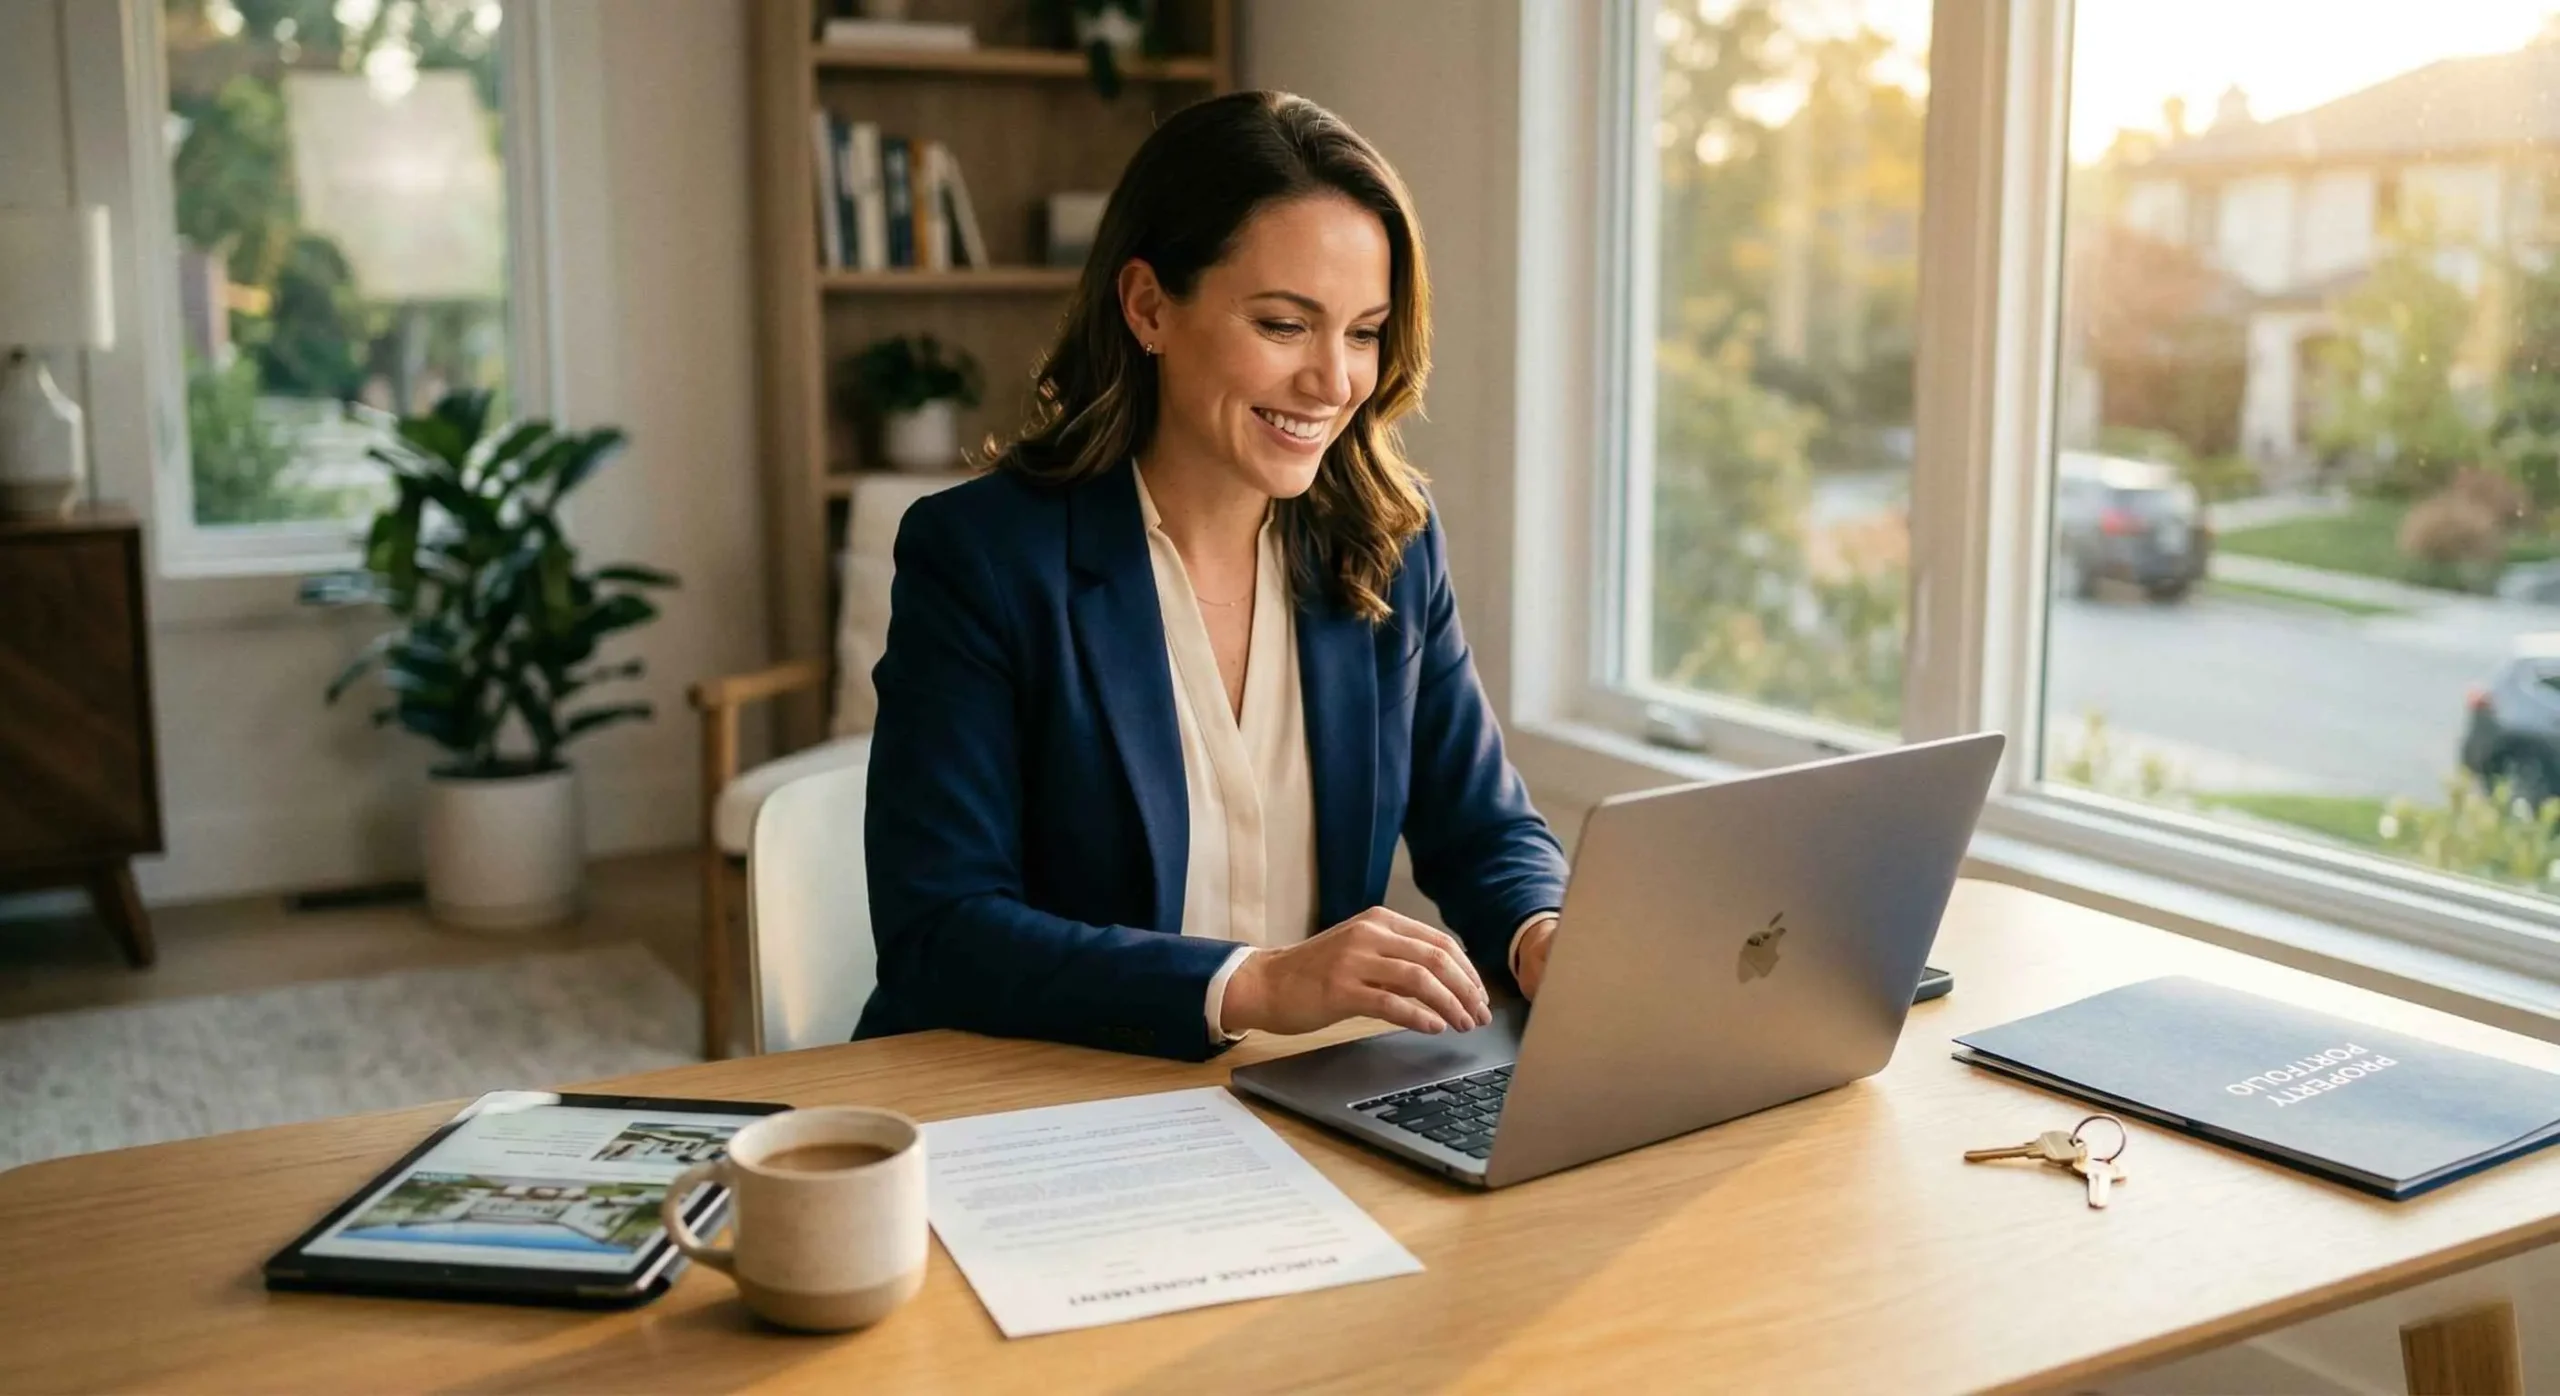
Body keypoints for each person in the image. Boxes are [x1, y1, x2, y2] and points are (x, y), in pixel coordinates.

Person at [855, 91, 1567, 1061]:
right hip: (1032, 1092)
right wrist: (1254, 983)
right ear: (1148, 305)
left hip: (1292, 1103)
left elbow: (1484, 832)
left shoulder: (1388, 545)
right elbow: (940, 931)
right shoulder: (981, 556)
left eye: (1363, 332)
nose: (1333, 382)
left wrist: (1542, 935)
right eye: (1283, 325)